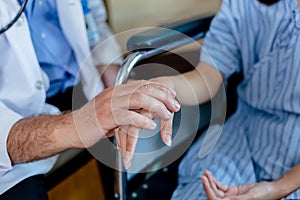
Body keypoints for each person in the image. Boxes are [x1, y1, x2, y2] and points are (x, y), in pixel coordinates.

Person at [0, 0, 180, 199]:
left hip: (80, 82)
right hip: (12, 122)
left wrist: (118, 82)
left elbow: (93, 20)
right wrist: (75, 125)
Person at [140, 0, 300, 199]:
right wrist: (168, 87)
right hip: (245, 134)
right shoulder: (243, 5)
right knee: (201, 191)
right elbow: (206, 77)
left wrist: (277, 188)